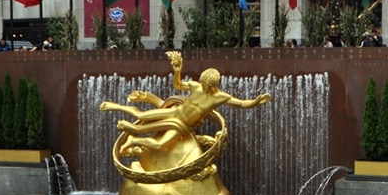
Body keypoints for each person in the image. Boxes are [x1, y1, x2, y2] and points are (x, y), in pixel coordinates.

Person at [100, 51, 271, 155]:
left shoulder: (220, 97)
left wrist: (256, 101)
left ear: (214, 84)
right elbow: (178, 85)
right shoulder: (196, 86)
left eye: (207, 85)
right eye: (203, 83)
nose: (203, 86)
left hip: (183, 125)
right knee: (140, 115)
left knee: (159, 144)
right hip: (175, 112)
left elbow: (241, 104)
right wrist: (177, 71)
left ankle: (133, 140)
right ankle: (114, 106)